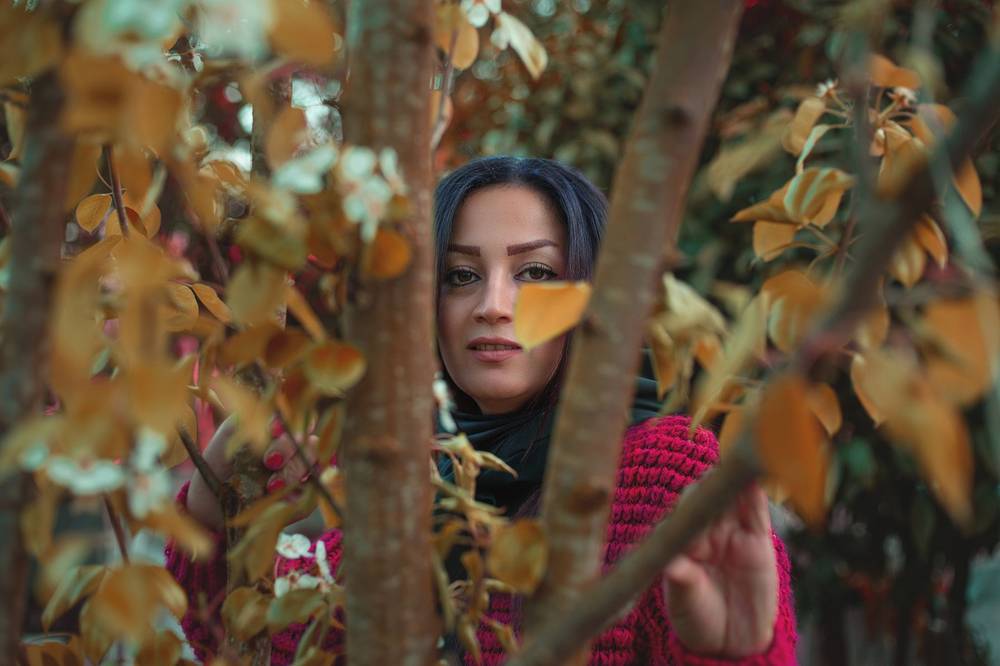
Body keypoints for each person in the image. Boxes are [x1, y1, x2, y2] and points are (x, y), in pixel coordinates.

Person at [168, 156, 798, 664]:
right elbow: (252, 639)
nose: (493, 304)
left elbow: (727, 630)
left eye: (537, 272)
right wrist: (212, 515)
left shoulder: (663, 473)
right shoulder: (398, 492)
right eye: (461, 276)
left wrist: (734, 656)